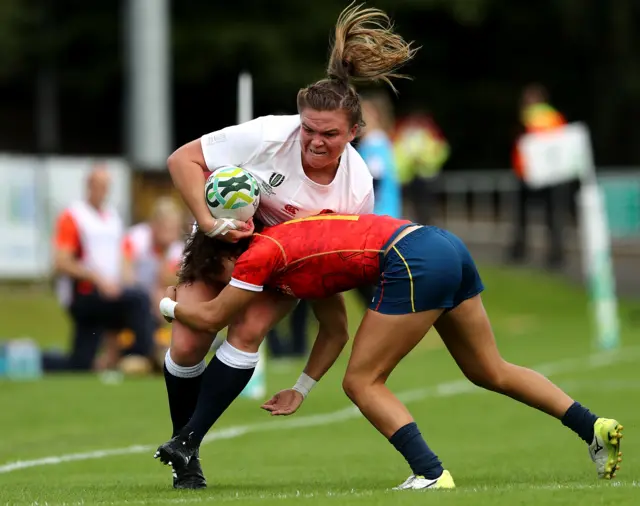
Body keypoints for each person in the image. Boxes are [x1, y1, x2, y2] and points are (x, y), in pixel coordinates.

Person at [156, 213, 623, 489]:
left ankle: (430, 473)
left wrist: (165, 305)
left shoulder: (260, 254)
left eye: (224, 276)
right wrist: (301, 388)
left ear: (227, 252)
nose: (235, 288)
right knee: (490, 370)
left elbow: (214, 317)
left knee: (362, 381)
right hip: (441, 244)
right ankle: (593, 426)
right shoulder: (289, 252)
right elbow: (335, 329)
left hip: (410, 259)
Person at [159, 2, 417, 489]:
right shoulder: (268, 135)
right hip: (221, 241)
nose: (315, 142)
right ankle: (184, 448)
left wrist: (303, 386)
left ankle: (187, 443)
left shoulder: (356, 190)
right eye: (309, 130)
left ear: (355, 132)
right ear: (298, 119)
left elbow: (333, 308)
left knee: (251, 327)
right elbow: (181, 161)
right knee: (189, 342)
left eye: (331, 134)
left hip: (284, 260)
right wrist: (210, 222)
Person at [45, 166, 156, 372]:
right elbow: (61, 261)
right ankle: (143, 356)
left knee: (80, 363)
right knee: (138, 301)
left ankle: (39, 360)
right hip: (85, 292)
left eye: (107, 186)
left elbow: (122, 256)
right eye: (99, 185)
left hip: (109, 291)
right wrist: (98, 279)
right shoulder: (74, 216)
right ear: (89, 186)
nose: (104, 190)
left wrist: (127, 281)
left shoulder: (112, 217)